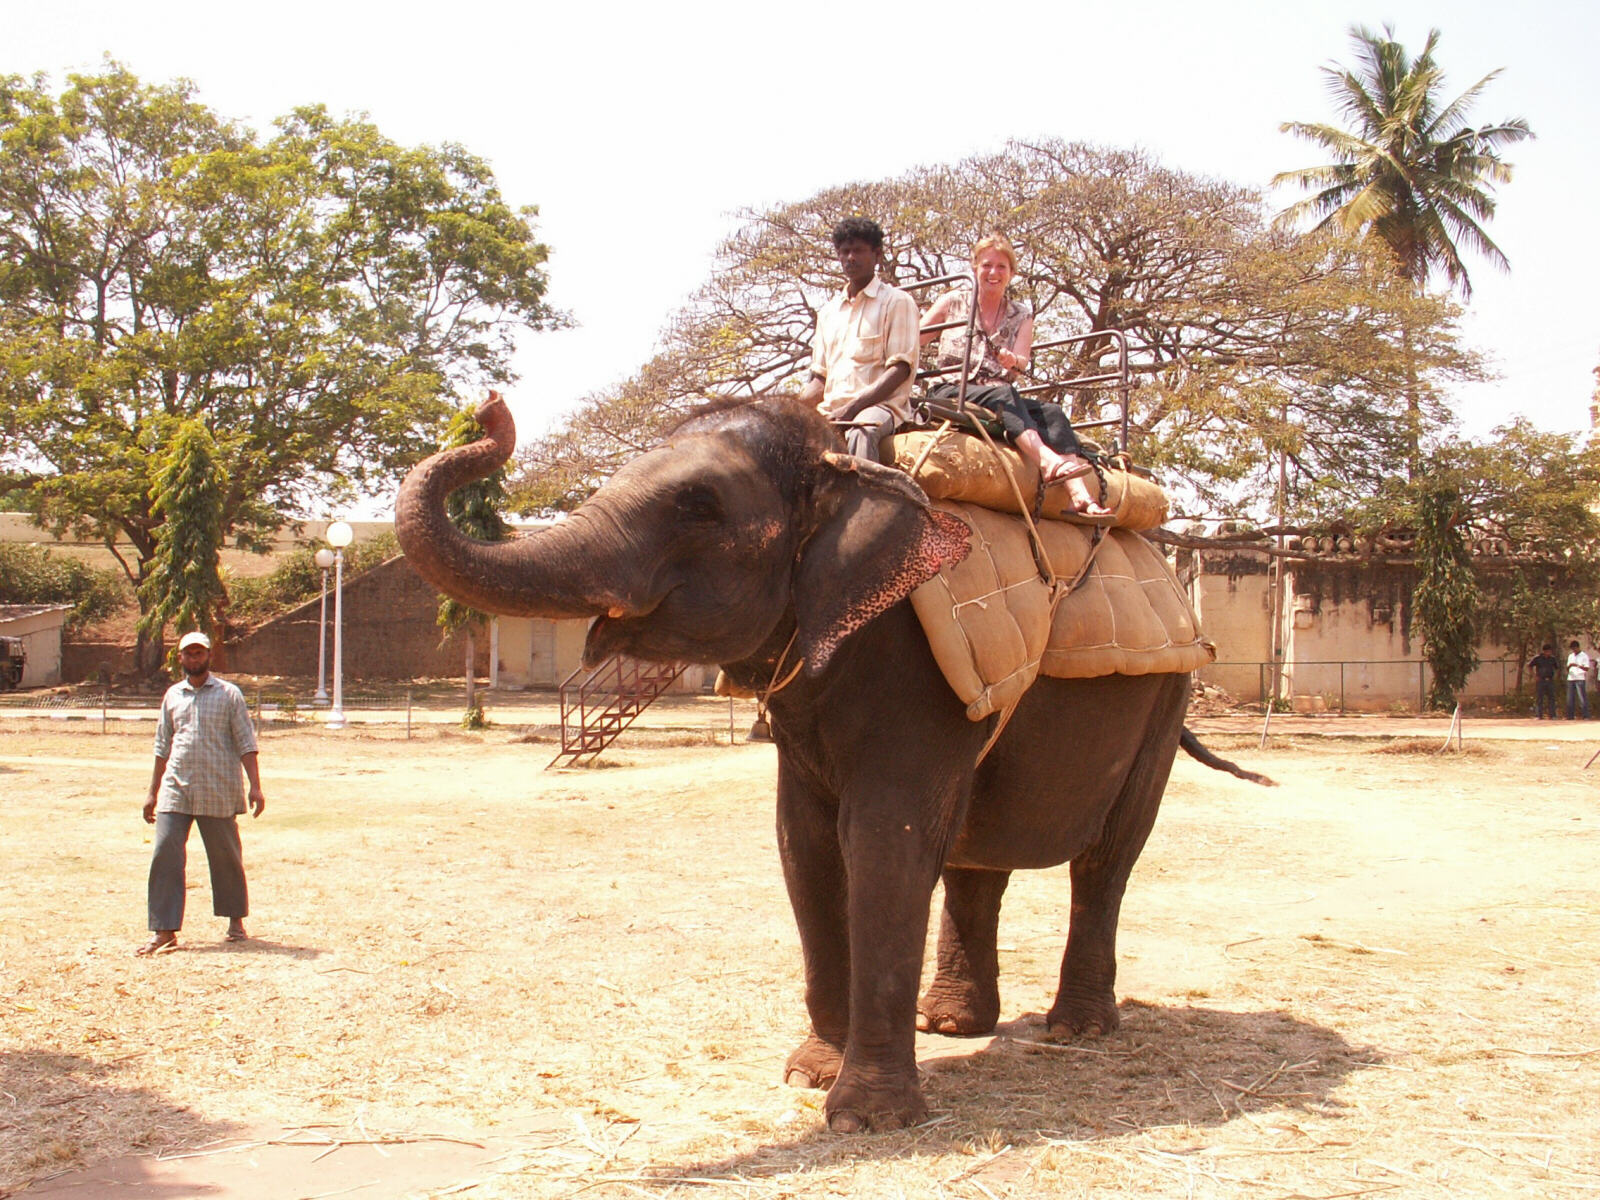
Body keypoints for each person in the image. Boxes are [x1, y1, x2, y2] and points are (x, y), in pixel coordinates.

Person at [920, 234, 1111, 517]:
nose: (993, 273)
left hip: (998, 391)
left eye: (1001, 267)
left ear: (1011, 273)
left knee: (1053, 412)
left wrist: (1012, 361)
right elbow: (914, 338)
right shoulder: (953, 302)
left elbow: (1021, 365)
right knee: (1005, 395)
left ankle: (1079, 493)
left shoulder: (1021, 314)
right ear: (975, 268)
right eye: (987, 265)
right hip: (951, 389)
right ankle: (1047, 462)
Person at [136, 631, 266, 955]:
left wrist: (256, 786)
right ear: (179, 658)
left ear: (209, 657)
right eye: (188, 654)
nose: (194, 659)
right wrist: (152, 792)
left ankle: (235, 921)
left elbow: (246, 743)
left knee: (225, 857)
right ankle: (163, 930)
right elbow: (161, 746)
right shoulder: (172, 696)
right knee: (165, 853)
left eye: (199, 654)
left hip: (218, 788)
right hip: (176, 789)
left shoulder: (229, 694)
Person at [797, 217, 920, 463]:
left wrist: (850, 410)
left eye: (859, 251)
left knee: (862, 433)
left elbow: (900, 370)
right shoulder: (828, 313)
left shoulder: (897, 302)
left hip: (880, 409)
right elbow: (820, 381)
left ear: (877, 255)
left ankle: (866, 501)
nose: (850, 258)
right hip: (832, 411)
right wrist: (784, 408)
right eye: (845, 251)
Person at [1528, 642, 1558, 719]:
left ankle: (1552, 715)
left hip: (1550, 680)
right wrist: (1534, 676)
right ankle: (1539, 715)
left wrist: (1555, 676)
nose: (1549, 653)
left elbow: (1556, 668)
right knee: (1539, 698)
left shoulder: (1552, 659)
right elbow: (1530, 666)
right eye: (1548, 651)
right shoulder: (1538, 658)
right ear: (1544, 651)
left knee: (1551, 698)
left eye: (1550, 651)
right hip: (1541, 680)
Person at [1565, 639, 1592, 721]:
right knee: (1570, 698)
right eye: (1572, 649)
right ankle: (1570, 716)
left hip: (1580, 678)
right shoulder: (1571, 656)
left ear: (1578, 647)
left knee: (1582, 697)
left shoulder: (1584, 656)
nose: (1574, 650)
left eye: (1574, 648)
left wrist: (1577, 665)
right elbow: (1567, 667)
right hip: (1571, 678)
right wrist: (1570, 666)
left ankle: (1585, 715)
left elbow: (1586, 668)